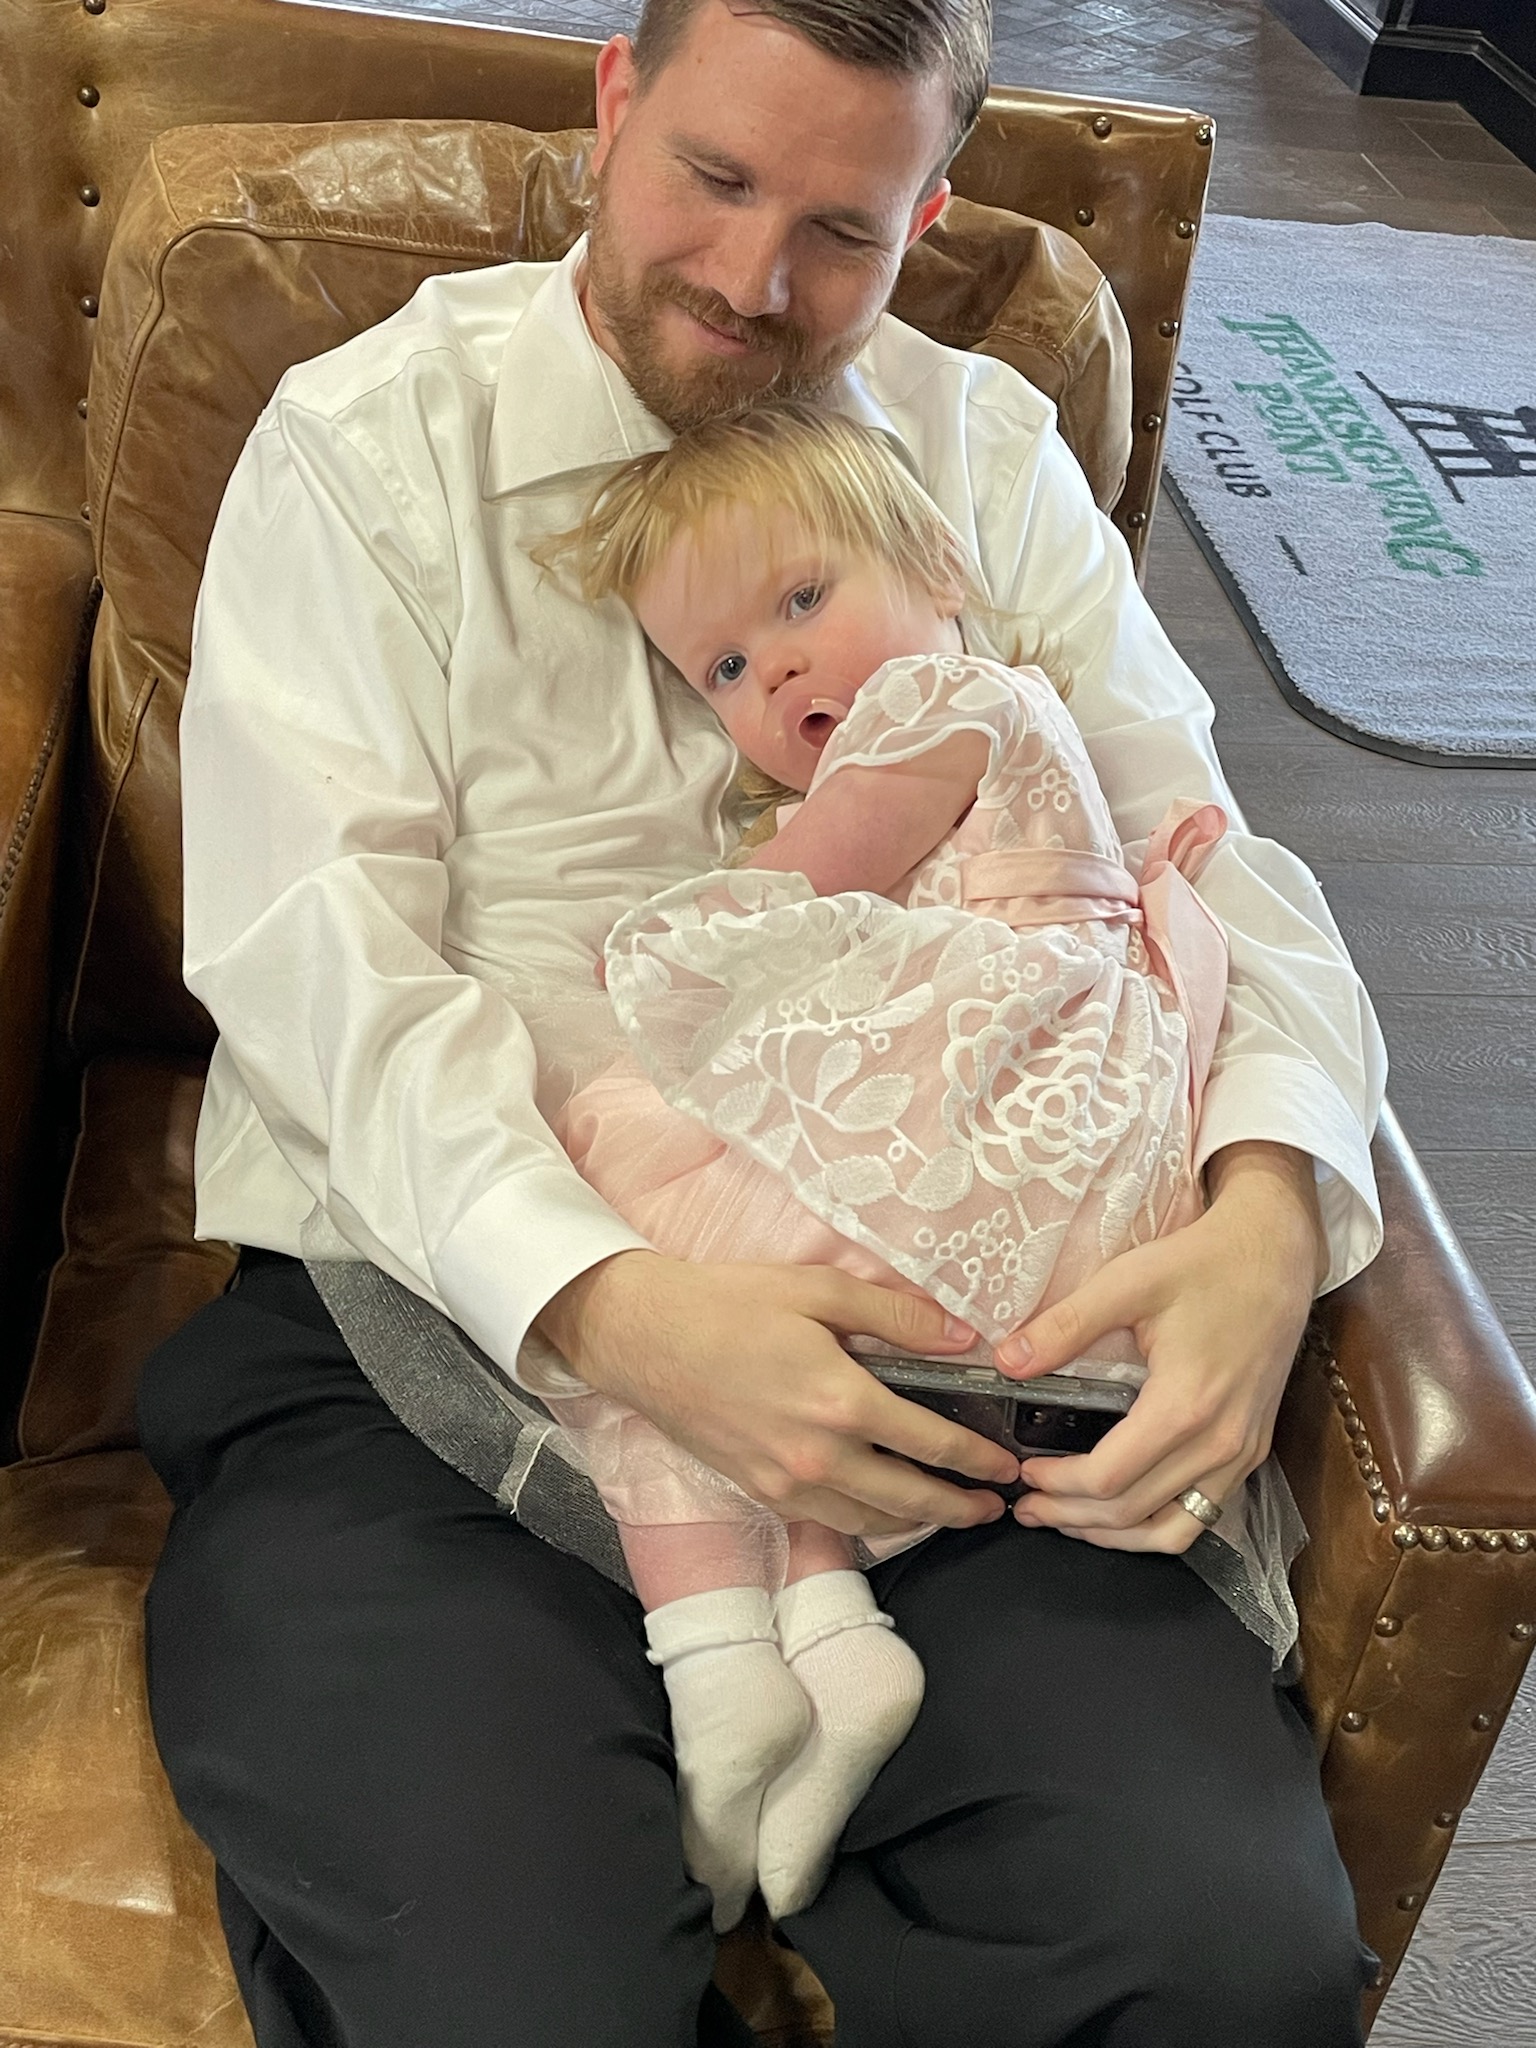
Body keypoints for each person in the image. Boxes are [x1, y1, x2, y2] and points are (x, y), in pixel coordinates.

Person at [140, 2, 1388, 2042]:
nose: (749, 280)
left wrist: (1265, 1210)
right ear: (615, 100)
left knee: (1216, 1956)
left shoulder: (985, 455)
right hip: (443, 1331)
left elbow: (1208, 857)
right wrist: (620, 1309)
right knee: (512, 1995)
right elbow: (315, 964)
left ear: (932, 210)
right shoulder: (371, 445)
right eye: (713, 177)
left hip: (951, 1361)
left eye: (841, 227)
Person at [535, 399, 1235, 1934]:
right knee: (778, 1333)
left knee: (631, 1207)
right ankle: (830, 1632)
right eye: (723, 668)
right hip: (1044, 1162)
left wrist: (673, 930)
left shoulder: (940, 703)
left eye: (801, 599)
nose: (776, 671)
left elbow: (810, 876)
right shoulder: (992, 723)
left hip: (988, 1113)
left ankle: (715, 1659)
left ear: (938, 568)